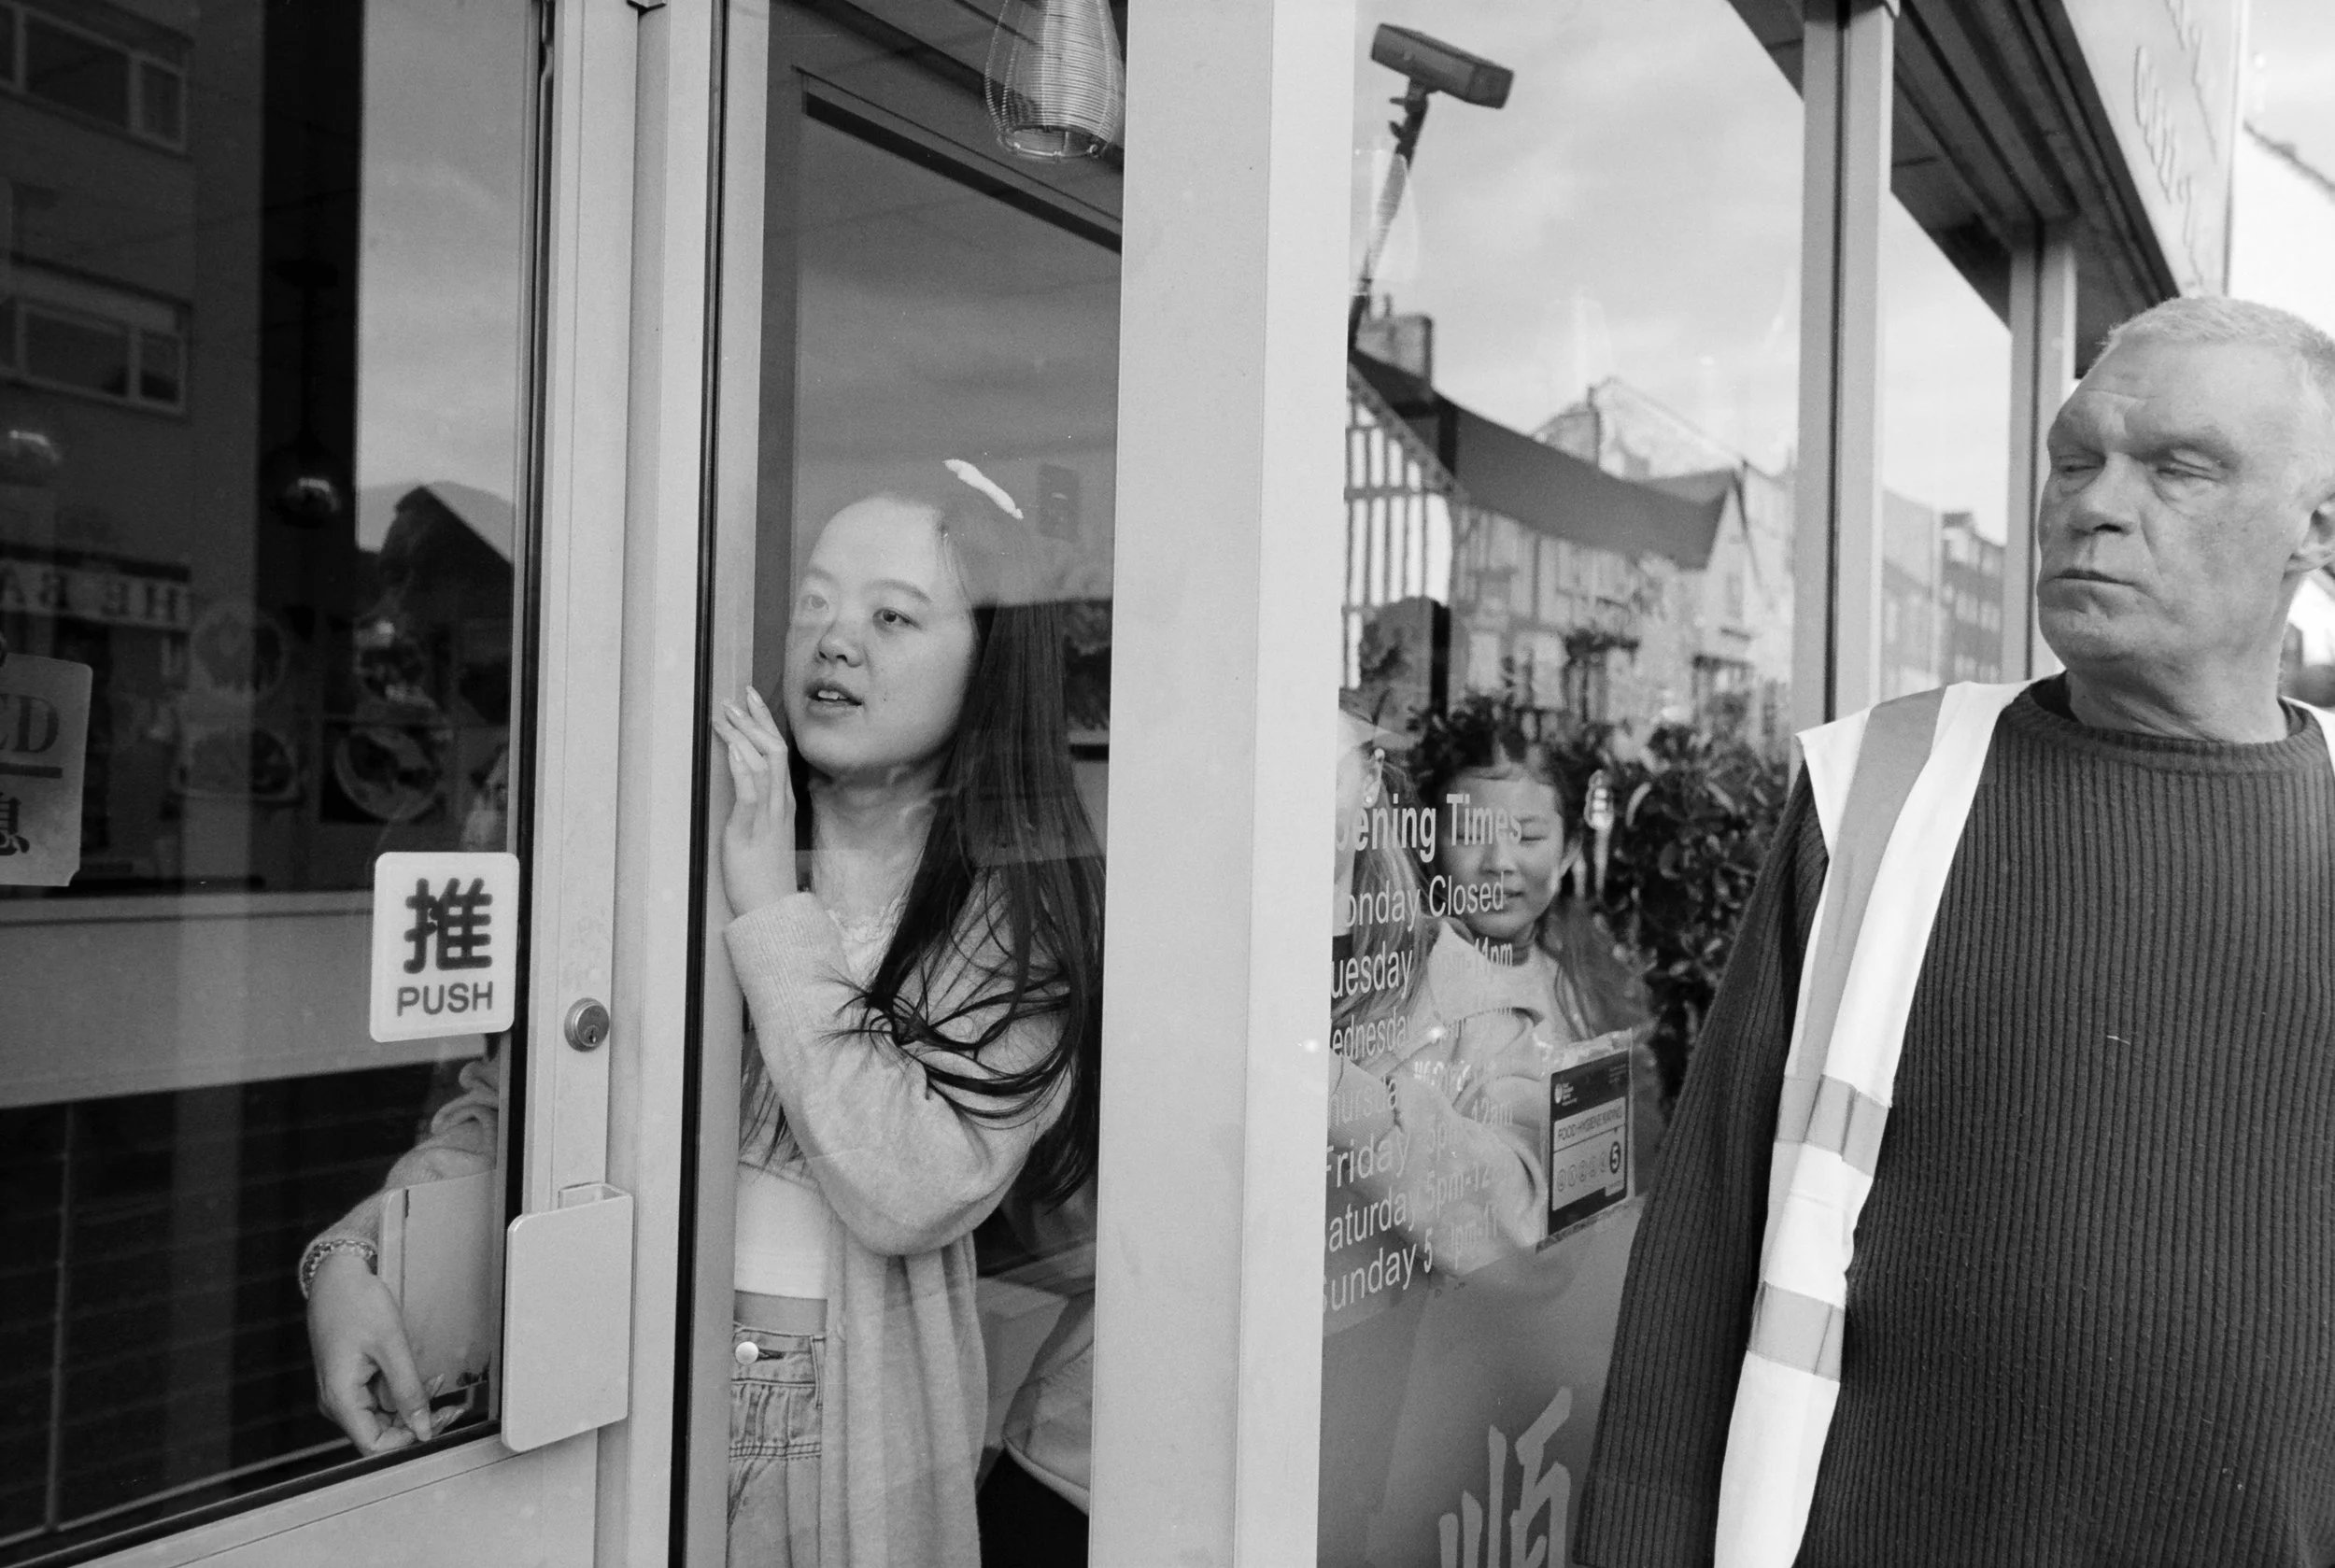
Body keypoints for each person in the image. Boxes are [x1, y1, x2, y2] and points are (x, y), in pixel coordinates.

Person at [1578, 295, 2335, 1568]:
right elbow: (1704, 1236)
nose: (2094, 504)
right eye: (2073, 458)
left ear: (2317, 526)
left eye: (2179, 467)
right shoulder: (1886, 789)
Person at [304, 470, 1103, 1568]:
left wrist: (771, 907)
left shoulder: (1016, 911)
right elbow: (529, 1105)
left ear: (989, 664)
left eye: (891, 616)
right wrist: (356, 1251)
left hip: (840, 1446)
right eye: (813, 601)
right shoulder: (670, 839)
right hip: (617, 1387)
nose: (834, 639)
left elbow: (915, 1184)